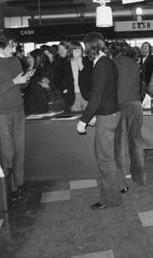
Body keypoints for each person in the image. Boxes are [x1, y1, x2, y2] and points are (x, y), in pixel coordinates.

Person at [0, 30, 35, 200]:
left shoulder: (16, 60)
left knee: (20, 149)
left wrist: (26, 79)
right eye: (11, 45)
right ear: (1, 44)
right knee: (7, 151)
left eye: (16, 45)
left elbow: (21, 88)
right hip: (1, 113)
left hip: (19, 109)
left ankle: (19, 184)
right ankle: (9, 188)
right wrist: (14, 81)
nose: (14, 49)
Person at [76, 32, 122, 210]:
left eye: (86, 47)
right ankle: (116, 191)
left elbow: (96, 96)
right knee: (108, 157)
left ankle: (111, 199)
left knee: (105, 160)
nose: (85, 51)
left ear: (91, 47)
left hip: (107, 116)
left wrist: (84, 120)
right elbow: (105, 94)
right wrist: (94, 114)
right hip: (110, 113)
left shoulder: (102, 64)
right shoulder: (107, 62)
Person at [112, 40, 146, 188]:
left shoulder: (114, 62)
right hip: (136, 104)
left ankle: (121, 183)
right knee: (136, 142)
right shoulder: (134, 62)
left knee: (119, 144)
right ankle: (140, 178)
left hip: (122, 104)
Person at [54, 41, 92, 112]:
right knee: (75, 119)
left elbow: (90, 80)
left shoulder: (87, 61)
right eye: (75, 49)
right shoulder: (65, 63)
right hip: (72, 95)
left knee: (89, 118)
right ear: (71, 51)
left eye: (79, 49)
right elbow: (57, 79)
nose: (78, 51)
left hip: (86, 95)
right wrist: (64, 90)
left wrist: (81, 65)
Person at [23, 49, 53, 115]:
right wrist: (29, 69)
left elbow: (53, 86)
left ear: (38, 58)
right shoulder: (28, 69)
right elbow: (23, 85)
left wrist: (48, 87)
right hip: (29, 101)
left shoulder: (47, 69)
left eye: (30, 57)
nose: (28, 59)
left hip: (43, 101)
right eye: (28, 57)